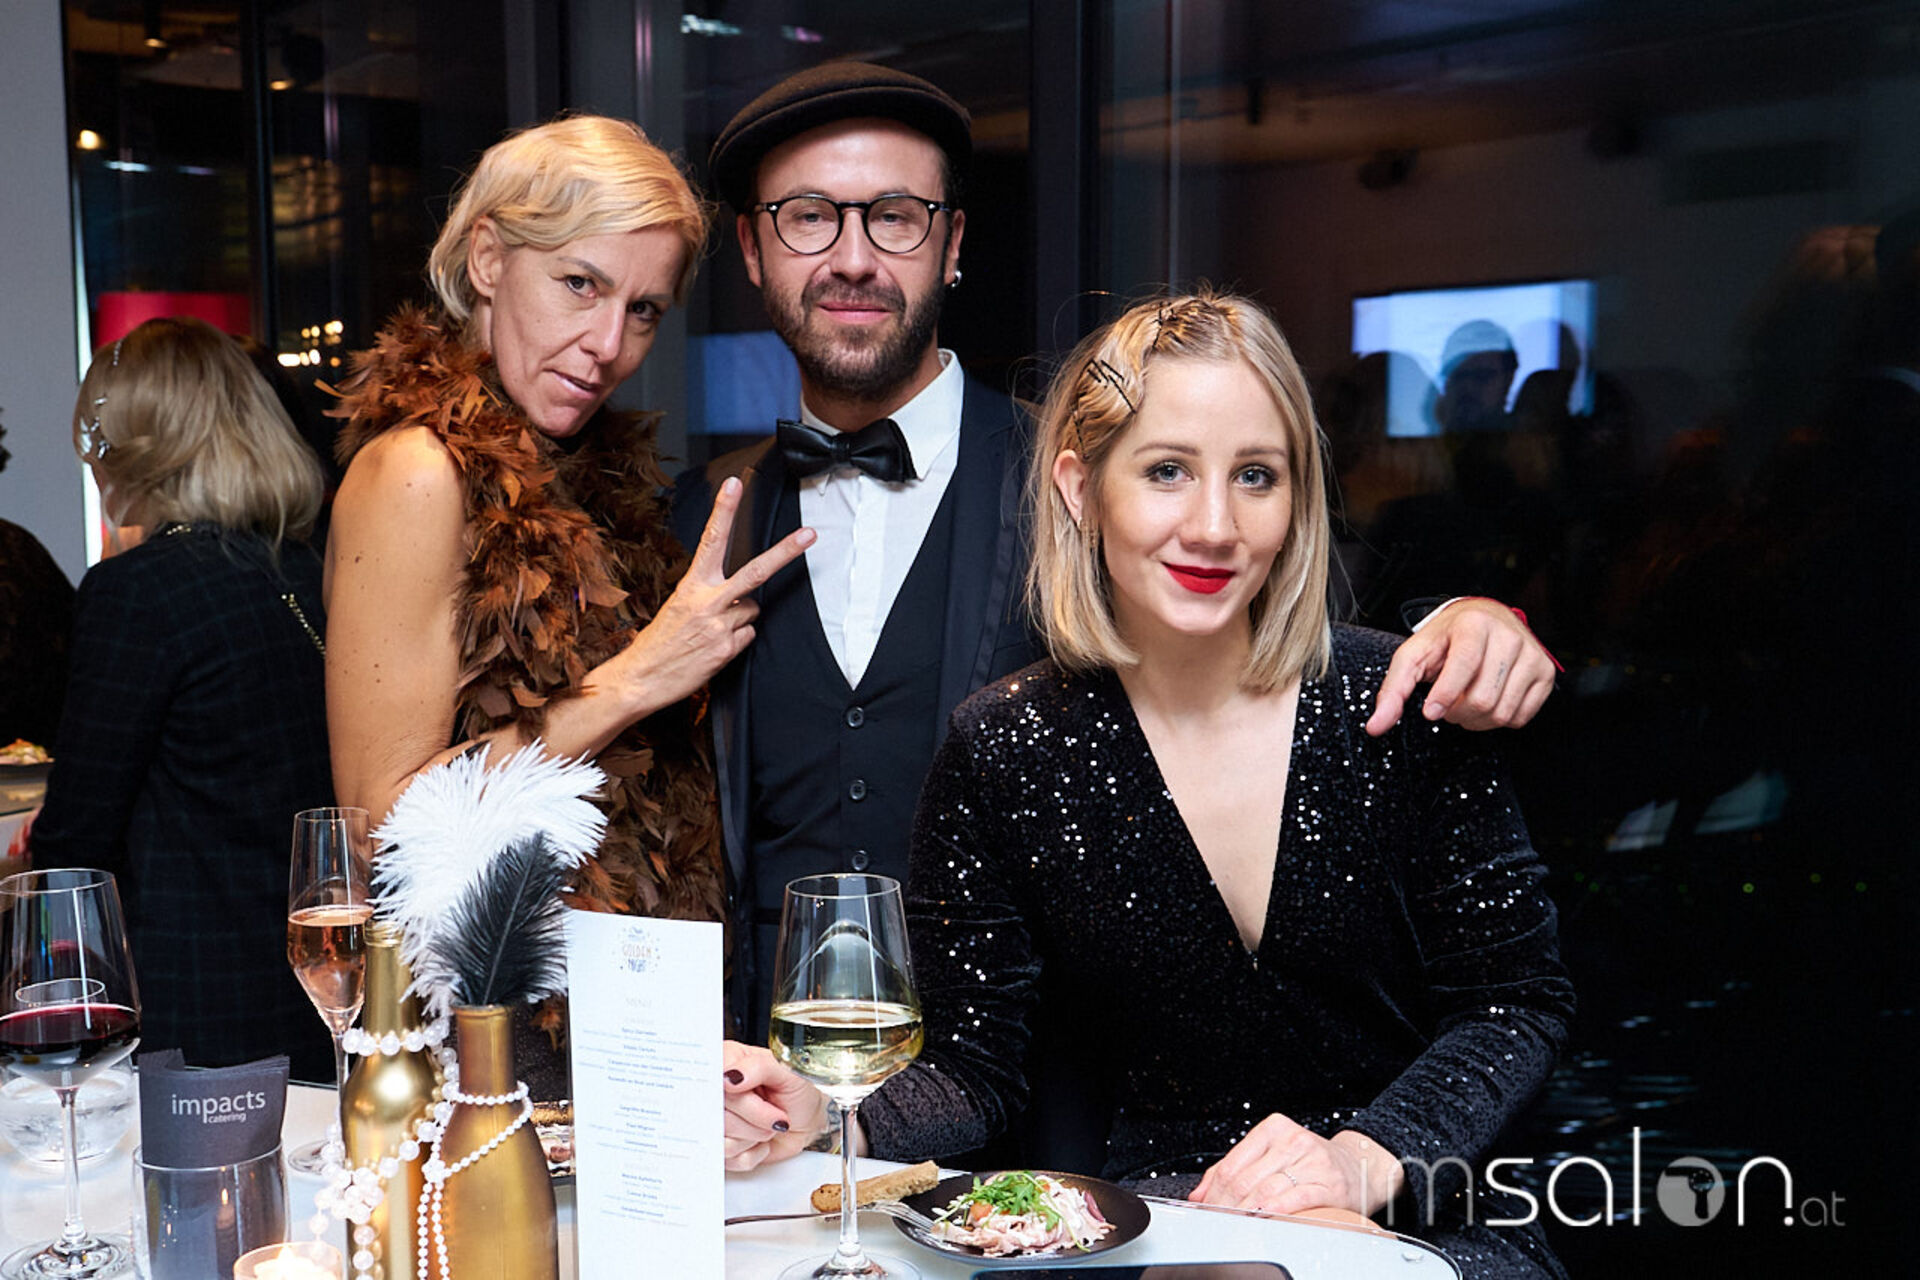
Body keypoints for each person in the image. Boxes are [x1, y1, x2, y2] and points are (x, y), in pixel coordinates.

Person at [676, 61, 1560, 1039]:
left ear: (953, 244)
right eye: (808, 216)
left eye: (895, 217)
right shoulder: (699, 515)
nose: (854, 258)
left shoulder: (1103, 479)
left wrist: (1468, 618)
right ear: (752, 248)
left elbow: (1286, 625)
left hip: (1046, 1077)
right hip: (776, 1071)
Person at [722, 292, 1575, 1280]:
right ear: (1082, 489)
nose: (1214, 525)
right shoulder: (1007, 746)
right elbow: (976, 1068)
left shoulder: (1398, 704)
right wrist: (830, 1111)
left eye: (1255, 476)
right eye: (1168, 470)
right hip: (1174, 1223)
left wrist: (1357, 1161)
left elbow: (1518, 1007)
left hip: (1428, 1205)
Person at [323, 116, 810, 1071]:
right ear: (488, 259)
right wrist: (632, 683)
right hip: (493, 1030)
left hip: (615, 1007)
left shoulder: (587, 477)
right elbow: (380, 824)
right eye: (580, 284)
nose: (608, 345)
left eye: (644, 309)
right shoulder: (418, 473)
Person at [29, 317, 335, 1077]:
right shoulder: (305, 571)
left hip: (194, 1019)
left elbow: (76, 841)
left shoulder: (141, 590)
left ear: (141, 445)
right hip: (317, 997)